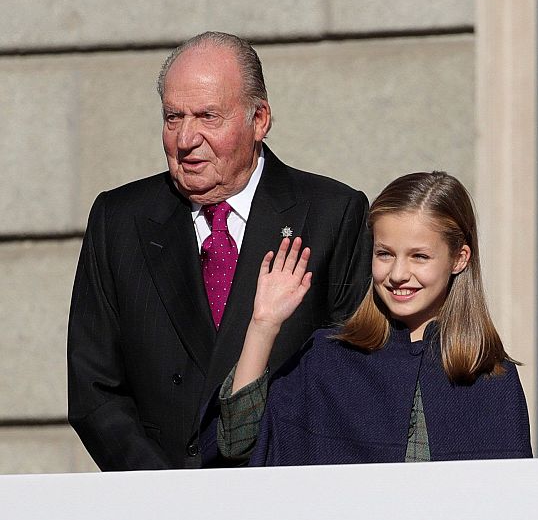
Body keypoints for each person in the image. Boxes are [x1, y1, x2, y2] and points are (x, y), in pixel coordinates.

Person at [67, 32, 371, 470]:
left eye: (208, 116)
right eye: (173, 117)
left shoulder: (332, 214)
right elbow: (92, 384)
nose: (186, 138)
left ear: (259, 119)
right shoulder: (119, 219)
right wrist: (160, 492)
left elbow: (353, 378)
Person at [202, 171, 532, 466]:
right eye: (384, 254)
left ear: (459, 258)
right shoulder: (326, 359)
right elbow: (236, 443)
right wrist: (263, 326)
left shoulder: (492, 378)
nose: (399, 274)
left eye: (419, 256)